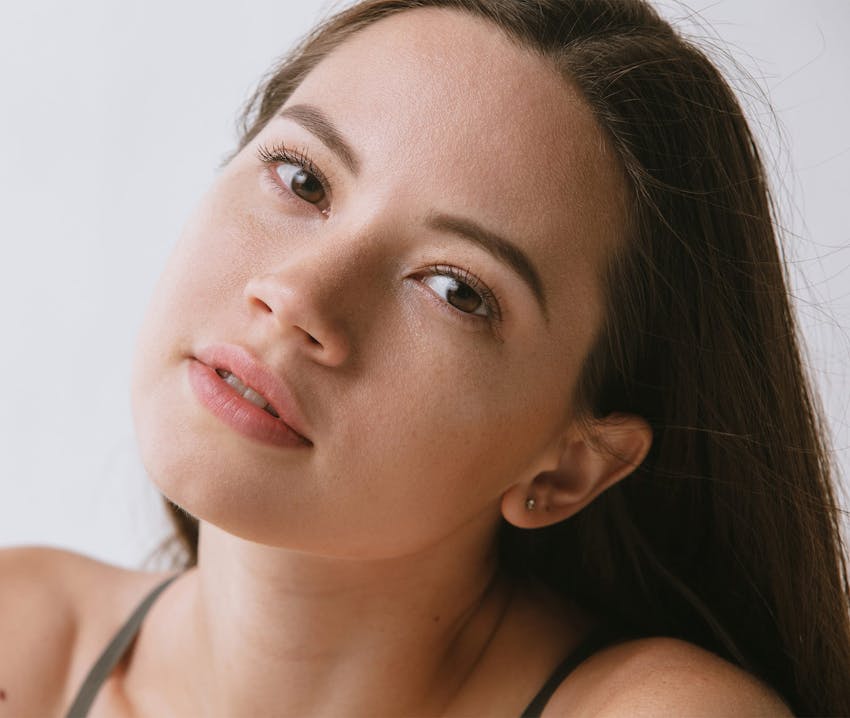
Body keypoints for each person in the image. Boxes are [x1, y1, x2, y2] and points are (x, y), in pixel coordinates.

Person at [2, 0, 848, 715]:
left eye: (456, 290)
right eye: (302, 179)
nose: (298, 296)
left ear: (567, 470)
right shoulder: (24, 643)